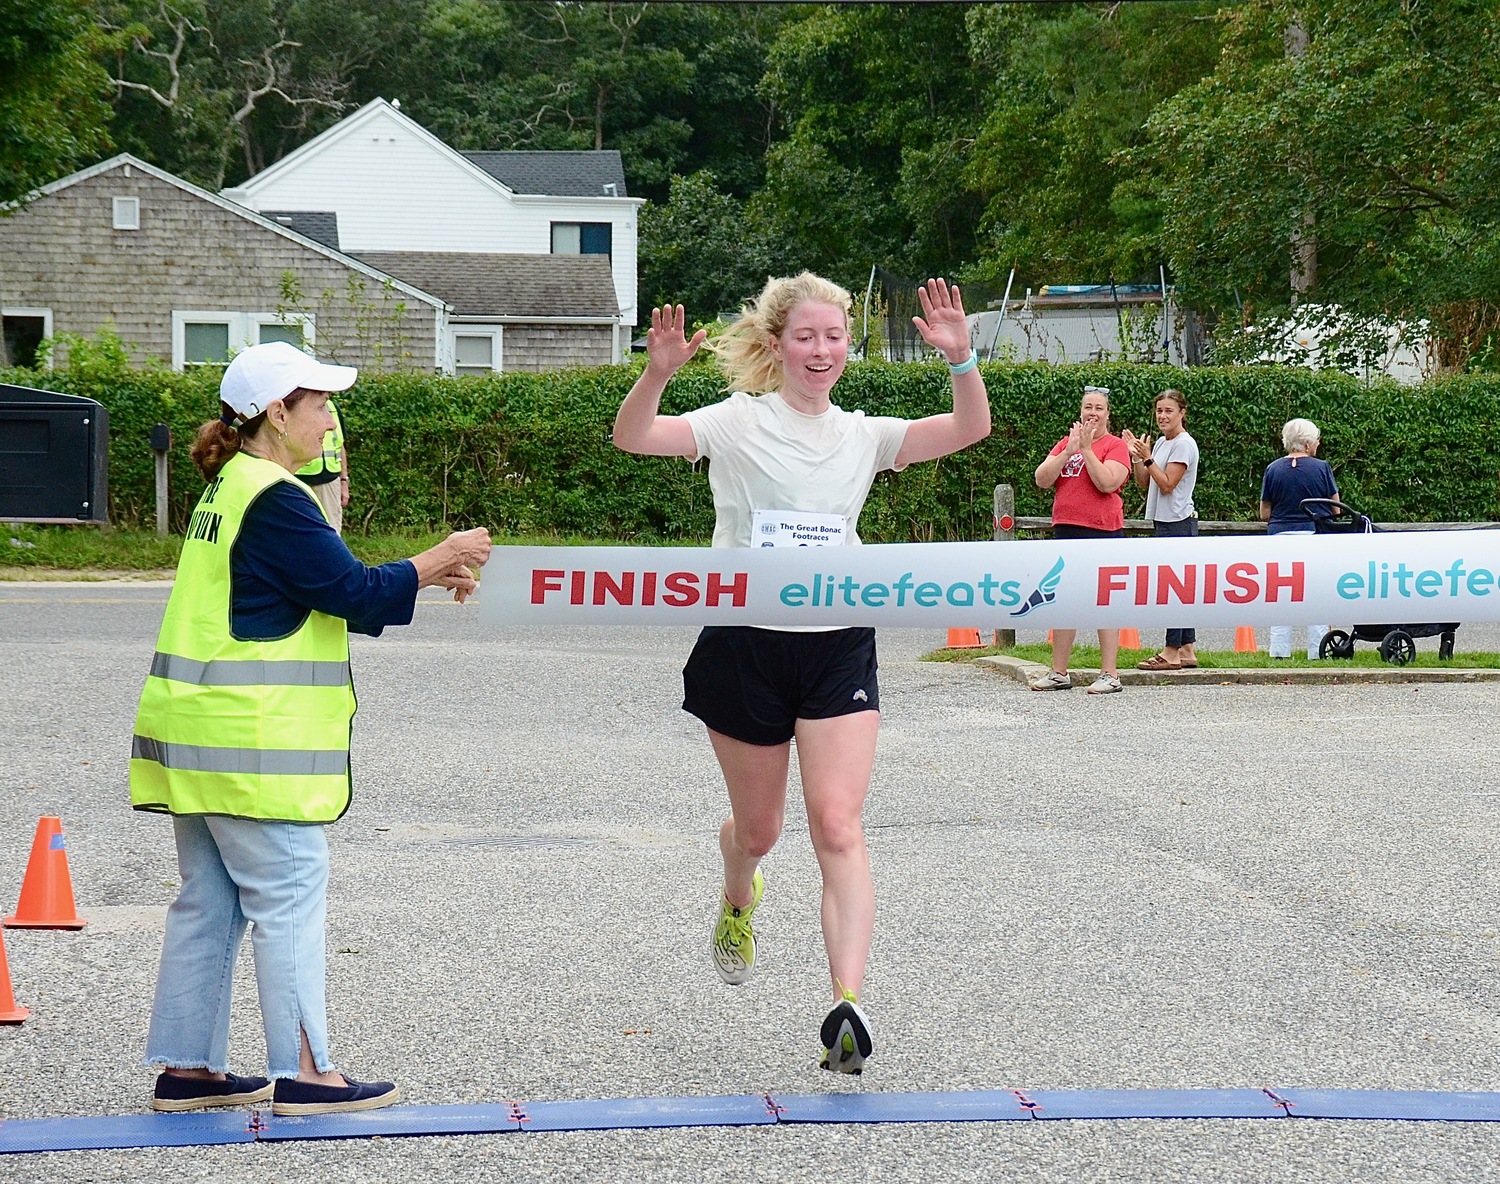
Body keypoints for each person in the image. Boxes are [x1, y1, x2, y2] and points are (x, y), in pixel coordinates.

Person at [612, 273, 990, 1074]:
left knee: (837, 825)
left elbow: (968, 429)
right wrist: (656, 374)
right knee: (761, 831)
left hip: (837, 643)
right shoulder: (738, 422)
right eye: (806, 338)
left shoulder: (863, 435)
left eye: (834, 338)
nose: (822, 352)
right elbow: (633, 440)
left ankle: (847, 1004)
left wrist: (961, 358)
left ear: (848, 345)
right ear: (777, 344)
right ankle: (737, 890)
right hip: (746, 643)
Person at [130, 340, 492, 1116]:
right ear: (276, 413)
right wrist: (446, 554)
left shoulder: (233, 485)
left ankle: (186, 1069)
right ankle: (305, 1071)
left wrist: (426, 573)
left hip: (198, 738)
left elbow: (323, 588)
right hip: (251, 746)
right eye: (319, 402)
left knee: (210, 900)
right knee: (288, 891)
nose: (330, 416)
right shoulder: (275, 496)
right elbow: (351, 590)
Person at [1031, 384, 1130, 694]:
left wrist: (1087, 450)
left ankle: (1110, 674)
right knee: (1064, 601)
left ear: (1107, 415)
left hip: (1102, 530)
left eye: (1099, 408)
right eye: (1088, 407)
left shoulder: (1115, 446)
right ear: (1080, 412)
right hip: (1066, 529)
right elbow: (1042, 479)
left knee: (1104, 601)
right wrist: (1069, 451)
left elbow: (1107, 483)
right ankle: (1059, 672)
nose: (1093, 413)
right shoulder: (1066, 443)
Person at [1124, 390, 1200, 670]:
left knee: (1174, 589)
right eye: (1159, 411)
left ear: (1182, 413)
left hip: (1179, 522)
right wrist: (1137, 456)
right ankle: (1188, 648)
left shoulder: (1184, 444)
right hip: (1164, 520)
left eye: (1169, 411)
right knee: (1180, 587)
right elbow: (1145, 483)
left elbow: (1168, 483)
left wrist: (1148, 459)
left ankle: (1171, 652)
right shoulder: (1160, 443)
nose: (1163, 416)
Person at [1260, 417, 1338, 659]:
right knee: (1317, 593)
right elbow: (1336, 508)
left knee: (1282, 593)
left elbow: (1265, 512)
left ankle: (1279, 651)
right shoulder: (1322, 467)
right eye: (1316, 441)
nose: (1317, 445)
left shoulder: (1273, 469)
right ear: (1307, 444)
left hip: (1281, 537)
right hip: (1314, 535)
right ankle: (1318, 650)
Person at [296, 395, 349, 533]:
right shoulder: (297, 405)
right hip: (300, 478)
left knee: (332, 530)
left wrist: (344, 481)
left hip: (329, 480)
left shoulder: (334, 408)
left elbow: (340, 446)